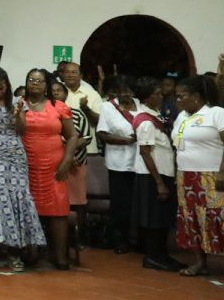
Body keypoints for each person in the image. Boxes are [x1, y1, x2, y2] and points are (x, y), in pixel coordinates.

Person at [0, 67, 45, 272]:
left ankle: (15, 252)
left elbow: (22, 131)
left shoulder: (17, 102)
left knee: (17, 198)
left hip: (16, 154)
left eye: (1, 88)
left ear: (7, 84)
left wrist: (17, 116)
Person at [171, 75, 224, 281]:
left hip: (213, 175)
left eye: (182, 96)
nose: (178, 100)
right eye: (177, 96)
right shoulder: (182, 116)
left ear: (196, 96)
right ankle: (200, 263)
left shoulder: (218, 113)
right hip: (186, 176)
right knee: (192, 218)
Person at [17, 68, 78, 270]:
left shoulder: (59, 106)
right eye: (31, 79)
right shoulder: (19, 104)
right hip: (26, 166)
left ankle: (59, 255)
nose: (34, 83)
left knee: (58, 210)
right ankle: (30, 251)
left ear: (46, 85)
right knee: (28, 209)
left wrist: (67, 160)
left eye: (39, 80)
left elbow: (72, 136)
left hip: (55, 167)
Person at [128, 76, 183, 272]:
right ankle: (152, 256)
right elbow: (145, 152)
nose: (161, 96)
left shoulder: (155, 115)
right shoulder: (146, 121)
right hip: (153, 175)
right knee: (154, 218)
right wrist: (159, 182)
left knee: (162, 218)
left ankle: (162, 255)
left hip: (164, 172)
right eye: (157, 94)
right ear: (147, 98)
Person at [96, 74, 140, 253]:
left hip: (141, 162)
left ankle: (137, 239)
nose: (125, 94)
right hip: (118, 163)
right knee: (121, 203)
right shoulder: (107, 107)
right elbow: (102, 134)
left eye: (128, 90)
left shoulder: (141, 105)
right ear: (115, 91)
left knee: (137, 202)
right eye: (121, 91)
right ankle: (120, 240)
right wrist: (127, 140)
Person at [52, 77, 92, 260]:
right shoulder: (44, 114)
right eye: (52, 91)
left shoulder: (76, 114)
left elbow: (86, 137)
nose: (55, 94)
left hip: (76, 165)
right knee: (57, 204)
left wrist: (70, 152)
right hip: (53, 165)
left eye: (59, 91)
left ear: (66, 94)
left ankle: (79, 239)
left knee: (78, 204)